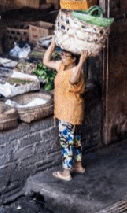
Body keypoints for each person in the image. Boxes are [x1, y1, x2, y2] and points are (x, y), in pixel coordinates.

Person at [43, 38, 89, 182]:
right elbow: (45, 61)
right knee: (75, 139)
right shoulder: (62, 66)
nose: (62, 57)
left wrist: (82, 62)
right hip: (69, 109)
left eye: (65, 56)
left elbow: (73, 80)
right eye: (61, 55)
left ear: (74, 59)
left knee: (66, 140)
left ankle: (66, 172)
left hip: (69, 110)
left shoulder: (76, 70)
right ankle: (78, 165)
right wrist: (52, 46)